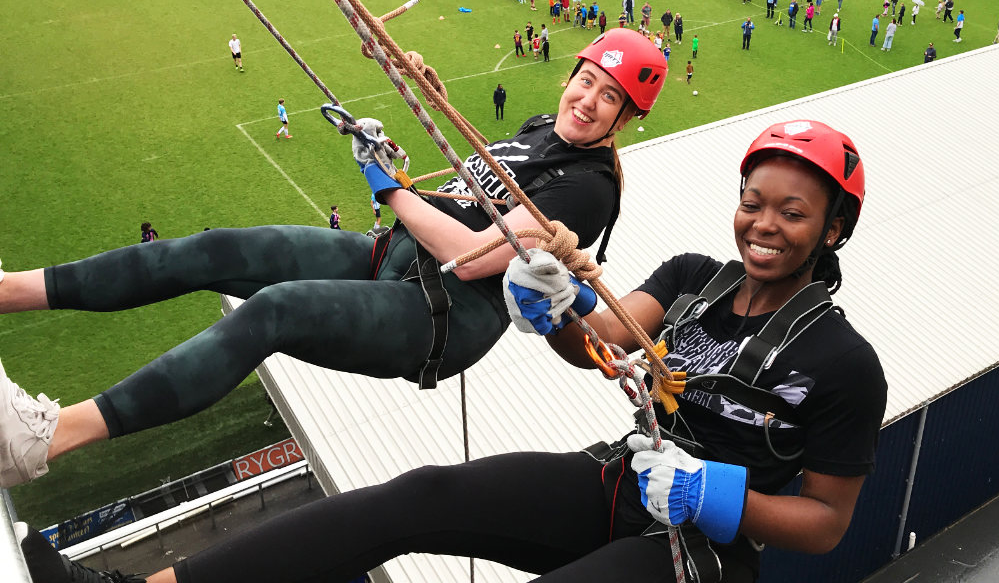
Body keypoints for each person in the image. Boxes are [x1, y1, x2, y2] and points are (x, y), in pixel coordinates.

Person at [20, 120, 885, 583]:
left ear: (832, 228)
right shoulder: (696, 279)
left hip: (699, 553)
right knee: (418, 498)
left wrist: (712, 496)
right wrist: (554, 314)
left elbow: (826, 524)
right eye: (753, 201)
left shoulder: (842, 363)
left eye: (792, 213)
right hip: (621, 479)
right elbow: (606, 348)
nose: (763, 224)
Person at [0, 30, 670, 493]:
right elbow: (469, 198)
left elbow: (471, 258)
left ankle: (49, 439)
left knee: (275, 311)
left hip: (441, 315)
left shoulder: (589, 185)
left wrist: (389, 188)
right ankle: (10, 291)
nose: (586, 100)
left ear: (627, 115)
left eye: (608, 96)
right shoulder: (539, 129)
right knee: (218, 248)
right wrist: (412, 139)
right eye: (585, 81)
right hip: (401, 258)